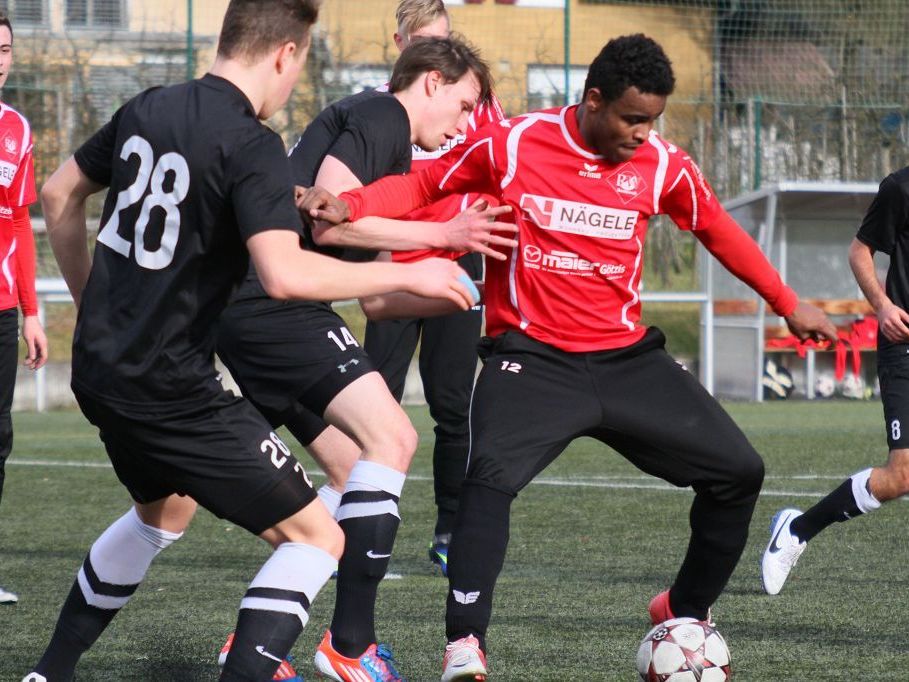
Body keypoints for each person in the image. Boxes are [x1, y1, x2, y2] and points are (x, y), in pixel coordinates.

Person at [304, 34, 839, 680]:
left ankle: (683, 610)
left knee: (738, 472)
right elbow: (421, 183)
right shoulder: (514, 144)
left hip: (624, 360)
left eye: (652, 121)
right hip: (531, 358)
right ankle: (464, 646)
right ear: (592, 101)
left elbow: (716, 229)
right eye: (631, 118)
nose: (642, 134)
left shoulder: (663, 165)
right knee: (487, 480)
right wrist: (351, 204)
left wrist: (786, 300)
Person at [23, 1, 478, 680]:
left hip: (100, 373)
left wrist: (92, 309)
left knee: (162, 513)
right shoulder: (251, 143)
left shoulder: (149, 104)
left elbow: (59, 196)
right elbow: (283, 274)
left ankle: (46, 674)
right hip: (171, 388)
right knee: (318, 537)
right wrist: (430, 259)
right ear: (285, 55)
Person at [215, 34, 511, 682]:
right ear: (430, 80)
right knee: (394, 437)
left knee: (350, 472)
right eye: (463, 106)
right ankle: (348, 646)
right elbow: (329, 220)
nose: (464, 125)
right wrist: (443, 236)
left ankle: (253, 643)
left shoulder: (377, 136)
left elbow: (379, 301)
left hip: (245, 309)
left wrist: (480, 296)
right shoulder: (383, 118)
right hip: (270, 305)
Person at [364, 0, 507, 578]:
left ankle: (450, 530)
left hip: (455, 267)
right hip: (393, 270)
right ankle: (362, 523)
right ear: (400, 44)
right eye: (426, 41)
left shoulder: (478, 102)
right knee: (373, 403)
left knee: (454, 407)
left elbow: (502, 169)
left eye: (446, 40)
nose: (439, 53)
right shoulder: (377, 111)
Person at [761, 168, 909, 595]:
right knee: (901, 475)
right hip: (904, 347)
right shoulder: (901, 188)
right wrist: (882, 305)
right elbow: (860, 252)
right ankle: (797, 531)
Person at [0, 10, 47, 607]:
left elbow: (19, 224)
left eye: (5, 47)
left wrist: (33, 310)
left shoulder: (16, 129)